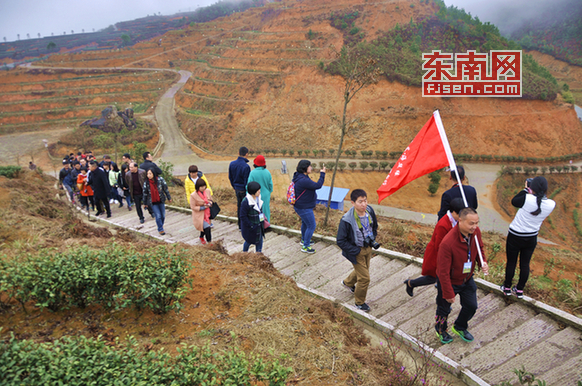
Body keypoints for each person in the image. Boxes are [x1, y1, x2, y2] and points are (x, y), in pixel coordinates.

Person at [435, 208, 488, 344]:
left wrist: (483, 261)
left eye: (477, 223)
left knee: (471, 306)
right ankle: (441, 330)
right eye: (471, 223)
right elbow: (443, 271)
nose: (475, 226)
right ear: (460, 221)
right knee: (443, 309)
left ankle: (459, 326)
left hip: (467, 278)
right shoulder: (448, 243)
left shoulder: (475, 233)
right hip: (450, 281)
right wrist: (448, 292)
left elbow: (479, 247)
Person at [501, 176, 555, 299]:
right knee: (525, 264)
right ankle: (519, 290)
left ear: (532, 187)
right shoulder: (551, 204)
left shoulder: (527, 198)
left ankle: (507, 287)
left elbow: (514, 201)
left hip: (515, 235)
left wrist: (526, 189)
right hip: (531, 237)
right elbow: (540, 200)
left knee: (511, 262)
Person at [405, 198, 465, 297]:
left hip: (446, 255)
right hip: (437, 255)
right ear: (453, 212)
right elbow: (440, 246)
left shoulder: (454, 221)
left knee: (435, 279)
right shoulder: (443, 224)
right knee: (437, 279)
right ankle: (443, 304)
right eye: (460, 215)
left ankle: (411, 283)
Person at [337, 189, 379, 312]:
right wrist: (355, 251)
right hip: (356, 251)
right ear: (353, 203)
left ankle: (348, 283)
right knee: (365, 278)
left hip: (368, 247)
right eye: (360, 202)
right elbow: (340, 241)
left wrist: (372, 239)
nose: (364, 204)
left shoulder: (369, 211)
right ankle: (359, 303)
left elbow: (374, 226)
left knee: (363, 270)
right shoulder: (347, 220)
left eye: (365, 200)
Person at [292, 160, 326, 253]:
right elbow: (318, 185)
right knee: (311, 225)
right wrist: (322, 174)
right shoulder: (304, 180)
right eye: (309, 166)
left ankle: (304, 240)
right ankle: (306, 246)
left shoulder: (300, 176)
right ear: (305, 168)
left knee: (305, 223)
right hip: (304, 207)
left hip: (301, 205)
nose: (311, 167)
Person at [143, 169, 171, 235]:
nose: (149, 175)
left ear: (154, 173)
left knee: (163, 215)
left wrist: (169, 197)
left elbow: (165, 189)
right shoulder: (146, 183)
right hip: (153, 202)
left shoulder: (160, 180)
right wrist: (144, 203)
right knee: (158, 215)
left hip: (161, 200)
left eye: (150, 174)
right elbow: (145, 193)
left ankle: (161, 225)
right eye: (147, 174)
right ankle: (160, 229)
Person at [229, 146, 251, 230]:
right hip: (243, 189)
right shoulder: (246, 167)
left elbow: (230, 177)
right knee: (245, 208)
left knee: (239, 206)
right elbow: (247, 181)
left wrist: (234, 186)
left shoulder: (232, 164)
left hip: (236, 189)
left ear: (238, 153)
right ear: (247, 154)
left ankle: (240, 225)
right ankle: (245, 225)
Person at [240, 181, 265, 253]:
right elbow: (242, 216)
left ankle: (258, 256)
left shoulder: (258, 198)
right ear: (253, 192)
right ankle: (244, 253)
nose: (259, 191)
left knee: (259, 241)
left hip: (259, 225)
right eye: (258, 190)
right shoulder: (246, 201)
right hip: (250, 228)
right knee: (248, 241)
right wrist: (251, 225)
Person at [247, 155, 273, 224]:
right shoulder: (267, 172)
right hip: (266, 194)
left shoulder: (252, 173)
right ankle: (267, 224)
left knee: (257, 210)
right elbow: (270, 185)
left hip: (256, 195)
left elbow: (249, 185)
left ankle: (260, 223)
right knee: (266, 210)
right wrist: (269, 191)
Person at [190, 178, 213, 244]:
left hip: (207, 213)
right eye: (201, 187)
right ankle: (210, 243)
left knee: (203, 227)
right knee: (207, 228)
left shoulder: (207, 191)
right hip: (199, 215)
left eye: (204, 186)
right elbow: (193, 207)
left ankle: (201, 236)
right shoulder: (193, 195)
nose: (203, 188)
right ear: (198, 187)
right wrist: (203, 207)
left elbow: (211, 199)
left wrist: (210, 203)